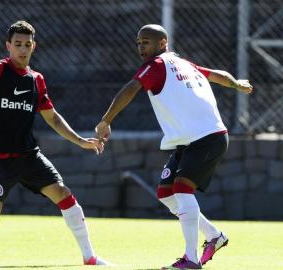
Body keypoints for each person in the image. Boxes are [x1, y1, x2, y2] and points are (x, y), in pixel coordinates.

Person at [0, 20, 111, 267]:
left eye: (27, 44)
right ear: (8, 46)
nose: (22, 49)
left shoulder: (36, 79)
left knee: (65, 195)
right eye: (17, 44)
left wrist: (80, 141)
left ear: (33, 46)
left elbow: (53, 117)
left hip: (28, 156)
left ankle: (89, 257)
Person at [95, 24, 253, 270]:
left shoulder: (156, 65)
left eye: (146, 41)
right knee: (166, 193)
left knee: (181, 189)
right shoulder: (184, 64)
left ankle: (190, 260)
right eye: (138, 42)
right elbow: (216, 74)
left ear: (162, 42)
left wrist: (106, 120)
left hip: (208, 137)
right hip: (189, 141)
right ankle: (213, 236)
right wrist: (236, 84)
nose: (141, 47)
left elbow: (131, 88)